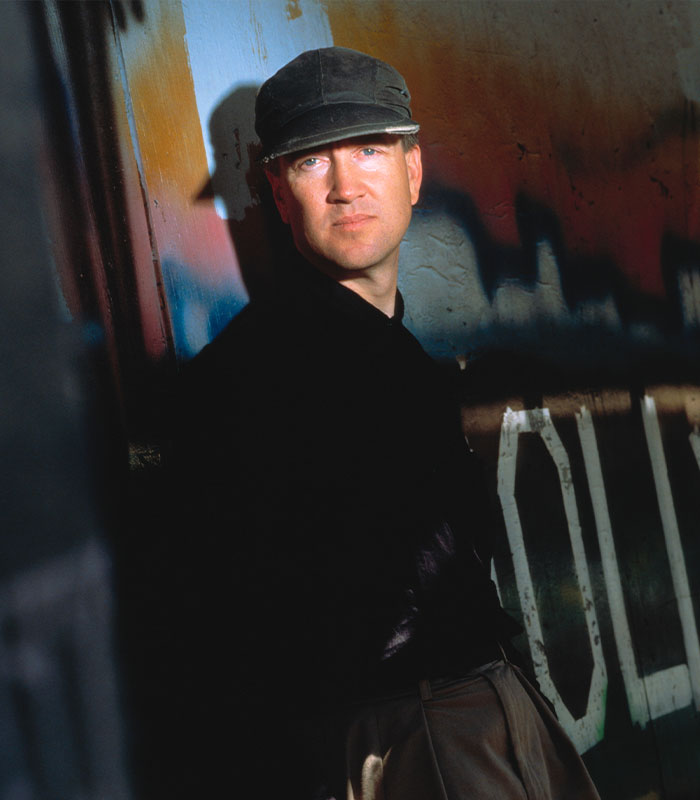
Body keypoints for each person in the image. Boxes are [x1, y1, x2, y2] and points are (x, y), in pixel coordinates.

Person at [174, 46, 600, 799]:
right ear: (279, 191)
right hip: (414, 735)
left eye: (369, 149)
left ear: (412, 169)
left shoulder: (389, 355)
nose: (345, 187)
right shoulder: (258, 374)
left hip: (467, 718)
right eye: (311, 163)